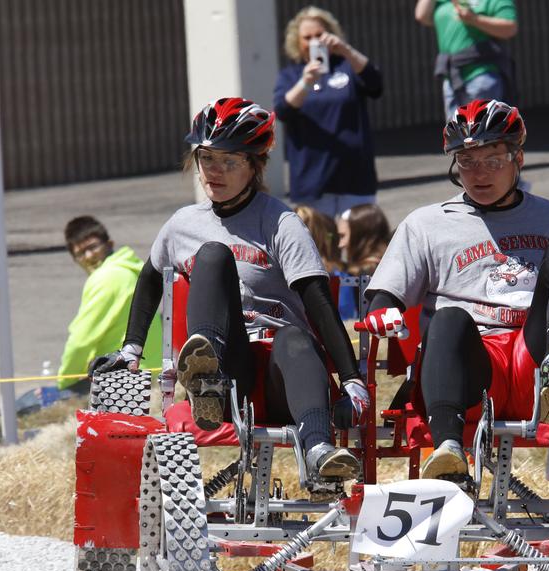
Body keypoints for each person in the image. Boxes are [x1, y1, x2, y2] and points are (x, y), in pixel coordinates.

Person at [362, 100, 549, 480]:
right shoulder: (425, 224)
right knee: (448, 318)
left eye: (492, 160)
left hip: (536, 359)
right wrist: (380, 307)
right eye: (466, 161)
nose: (479, 174)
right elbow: (386, 292)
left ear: (518, 158)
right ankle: (448, 448)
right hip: (471, 371)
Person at [92, 98, 368, 485]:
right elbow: (151, 277)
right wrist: (131, 349)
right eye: (207, 159)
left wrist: (352, 379)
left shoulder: (280, 222)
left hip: (284, 373)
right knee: (213, 256)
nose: (215, 173)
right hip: (229, 373)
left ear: (255, 166)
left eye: (230, 162)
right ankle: (207, 378)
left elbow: (317, 301)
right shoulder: (182, 224)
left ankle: (320, 450)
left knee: (293, 336)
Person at [274, 7, 383, 219]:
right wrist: (305, 82)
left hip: (355, 178)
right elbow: (282, 111)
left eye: (319, 35)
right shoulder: (291, 74)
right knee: (317, 248)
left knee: (359, 246)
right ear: (297, 41)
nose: (315, 42)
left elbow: (375, 84)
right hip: (313, 181)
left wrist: (346, 50)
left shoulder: (347, 66)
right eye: (307, 37)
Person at [58, 216, 160, 395]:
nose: (89, 256)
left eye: (92, 247)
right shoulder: (133, 270)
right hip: (153, 372)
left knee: (29, 404)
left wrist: (64, 385)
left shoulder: (106, 277)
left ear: (110, 244)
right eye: (81, 253)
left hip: (126, 375)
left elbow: (80, 342)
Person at [415, 0, 518, 116]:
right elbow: (422, 15)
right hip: (451, 79)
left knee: (480, 131)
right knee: (456, 132)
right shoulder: (443, 3)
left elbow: (510, 28)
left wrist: (473, 19)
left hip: (481, 74)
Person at [336, 203, 393, 319]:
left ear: (360, 236)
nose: (340, 245)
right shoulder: (397, 264)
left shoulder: (356, 274)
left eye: (343, 236)